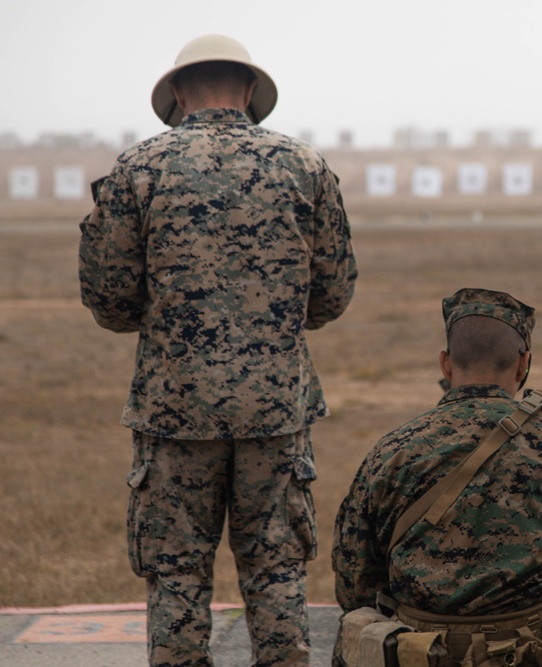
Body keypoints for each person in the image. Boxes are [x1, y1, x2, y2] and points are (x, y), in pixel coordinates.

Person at [78, 34, 358, 667]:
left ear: (177, 94)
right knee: (277, 574)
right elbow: (333, 295)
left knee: (175, 577)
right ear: (252, 91)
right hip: (274, 411)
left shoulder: (138, 169)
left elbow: (111, 303)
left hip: (174, 415)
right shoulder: (304, 166)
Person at [331, 288, 542, 667]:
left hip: (421, 653)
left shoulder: (393, 450)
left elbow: (354, 585)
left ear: (446, 364)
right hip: (533, 653)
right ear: (523, 364)